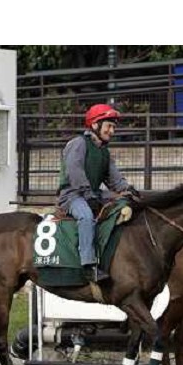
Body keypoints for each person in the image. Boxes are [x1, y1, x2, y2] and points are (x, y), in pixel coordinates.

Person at [57, 103, 139, 284]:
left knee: (124, 201)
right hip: (72, 195)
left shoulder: (104, 152)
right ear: (95, 125)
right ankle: (88, 266)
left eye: (114, 127)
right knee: (86, 216)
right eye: (109, 126)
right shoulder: (77, 143)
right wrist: (88, 195)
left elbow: (115, 180)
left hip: (93, 194)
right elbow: (75, 171)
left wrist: (127, 190)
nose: (112, 131)